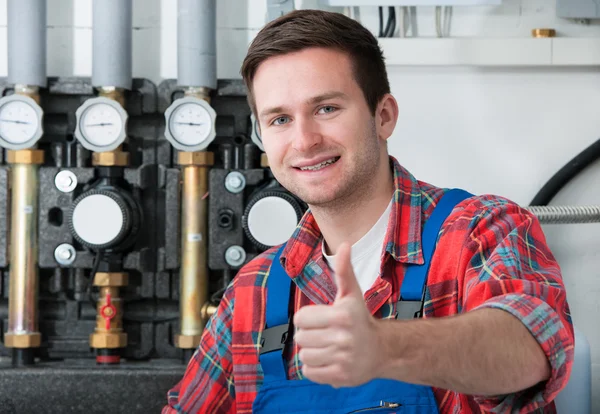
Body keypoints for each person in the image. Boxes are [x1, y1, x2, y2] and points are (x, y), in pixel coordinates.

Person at [163, 9, 574, 414]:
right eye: (280, 119)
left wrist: (386, 346)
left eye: (326, 108)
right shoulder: (252, 293)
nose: (304, 141)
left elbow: (534, 346)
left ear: (383, 116)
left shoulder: (480, 230)